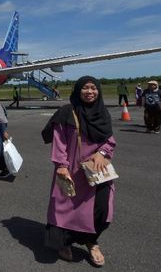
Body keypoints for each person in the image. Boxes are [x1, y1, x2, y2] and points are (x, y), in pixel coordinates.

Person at [41, 76, 116, 267]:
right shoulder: (67, 112)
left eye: (93, 88)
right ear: (77, 90)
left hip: (96, 170)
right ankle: (64, 243)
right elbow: (60, 141)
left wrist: (102, 153)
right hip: (71, 169)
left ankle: (92, 242)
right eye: (85, 88)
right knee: (66, 208)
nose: (90, 92)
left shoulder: (103, 114)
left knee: (101, 208)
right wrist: (61, 165)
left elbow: (109, 140)